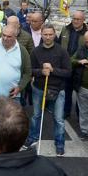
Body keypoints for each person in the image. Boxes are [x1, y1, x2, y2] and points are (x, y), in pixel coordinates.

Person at [25, 23, 72, 154]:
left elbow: (68, 72)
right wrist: (41, 72)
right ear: (41, 35)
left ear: (55, 35)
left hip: (58, 89)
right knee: (35, 115)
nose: (48, 37)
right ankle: (33, 137)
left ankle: (60, 142)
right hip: (39, 88)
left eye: (50, 34)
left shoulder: (62, 51)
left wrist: (53, 70)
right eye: (45, 34)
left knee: (58, 119)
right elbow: (30, 71)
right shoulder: (36, 51)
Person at [0, 24, 32, 100]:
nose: (5, 38)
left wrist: (20, 87)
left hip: (12, 96)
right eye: (3, 35)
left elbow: (28, 72)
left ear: (15, 36)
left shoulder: (22, 51)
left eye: (9, 36)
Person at [59, 10, 88, 118]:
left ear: (83, 20)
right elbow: (59, 44)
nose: (75, 21)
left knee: (80, 93)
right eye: (74, 18)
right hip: (65, 66)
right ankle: (66, 112)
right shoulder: (65, 29)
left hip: (79, 67)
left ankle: (79, 114)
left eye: (78, 19)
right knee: (66, 91)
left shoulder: (87, 33)